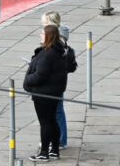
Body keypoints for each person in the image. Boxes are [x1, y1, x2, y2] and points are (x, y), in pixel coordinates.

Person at [23, 24, 71, 161]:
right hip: (55, 92)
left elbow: (40, 75)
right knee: (52, 120)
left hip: (43, 93)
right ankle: (54, 150)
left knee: (45, 123)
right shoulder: (60, 51)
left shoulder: (47, 54)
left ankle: (44, 152)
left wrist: (28, 79)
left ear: (48, 36)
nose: (40, 36)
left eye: (42, 34)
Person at [41, 11, 77, 149]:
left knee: (57, 110)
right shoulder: (58, 35)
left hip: (55, 80)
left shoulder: (58, 37)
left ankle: (59, 140)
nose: (43, 26)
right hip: (57, 79)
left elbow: (53, 57)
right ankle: (57, 140)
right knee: (56, 110)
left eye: (45, 23)